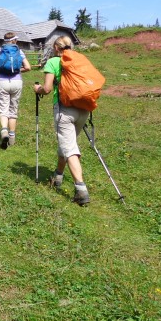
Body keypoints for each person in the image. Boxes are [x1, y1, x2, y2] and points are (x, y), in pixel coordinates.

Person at [34, 35, 90, 205]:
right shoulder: (80, 61)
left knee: (70, 148)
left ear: (56, 48)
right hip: (84, 109)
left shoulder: (53, 63)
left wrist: (38, 89)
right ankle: (58, 176)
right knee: (66, 144)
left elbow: (48, 89)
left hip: (65, 110)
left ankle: (81, 190)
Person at [0, 32, 32, 149]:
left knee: (3, 109)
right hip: (17, 82)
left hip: (2, 82)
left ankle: (4, 131)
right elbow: (28, 67)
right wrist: (18, 71)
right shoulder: (19, 51)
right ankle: (12, 138)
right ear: (15, 41)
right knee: (13, 109)